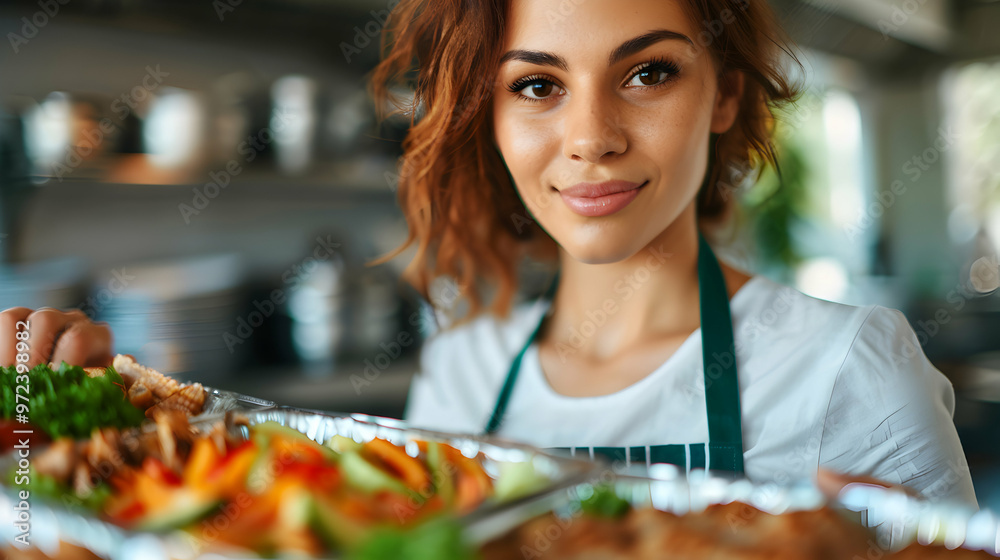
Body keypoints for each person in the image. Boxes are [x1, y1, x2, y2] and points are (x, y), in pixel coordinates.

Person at [0, 0, 977, 506]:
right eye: (538, 87)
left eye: (647, 72)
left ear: (722, 96)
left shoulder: (849, 365)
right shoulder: (466, 369)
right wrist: (105, 429)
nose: (590, 135)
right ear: (491, 117)